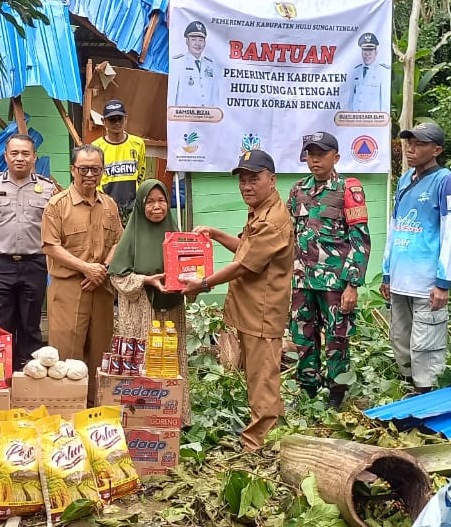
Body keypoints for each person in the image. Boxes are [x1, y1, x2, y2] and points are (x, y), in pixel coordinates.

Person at [181, 150, 292, 451]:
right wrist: (216, 234)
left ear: (272, 179)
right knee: (259, 377)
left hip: (262, 312)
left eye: (254, 179)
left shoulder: (272, 220)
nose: (247, 186)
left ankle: (257, 446)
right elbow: (246, 249)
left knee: (262, 380)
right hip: (251, 309)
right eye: (243, 180)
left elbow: (243, 266)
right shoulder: (261, 212)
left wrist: (203, 284)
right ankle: (268, 436)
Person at [287, 132, 372, 409]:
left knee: (338, 339)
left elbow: (360, 238)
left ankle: (337, 394)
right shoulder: (298, 189)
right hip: (302, 281)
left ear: (335, 157)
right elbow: (287, 232)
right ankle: (309, 390)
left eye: (321, 154)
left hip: (336, 283)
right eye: (310, 154)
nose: (315, 159)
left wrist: (352, 284)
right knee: (303, 336)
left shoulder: (349, 188)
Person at [381, 122, 451, 395]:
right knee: (400, 339)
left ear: (436, 149)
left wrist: (443, 282)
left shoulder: (445, 181)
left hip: (427, 283)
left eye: (419, 144)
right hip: (400, 278)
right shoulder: (405, 179)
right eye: (409, 143)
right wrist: (386, 273)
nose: (411, 149)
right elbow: (395, 226)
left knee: (426, 344)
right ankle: (407, 392)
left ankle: (426, 402)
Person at [0, 134, 59, 370]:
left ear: (34, 157)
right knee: (0, 324)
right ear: (5, 156)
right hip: (1, 265)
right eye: (15, 153)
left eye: (26, 153)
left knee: (31, 325)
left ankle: (29, 375)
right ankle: (0, 376)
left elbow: (57, 231)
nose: (20, 158)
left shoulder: (49, 188)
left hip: (35, 264)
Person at [42, 145, 123, 403]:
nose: (90, 174)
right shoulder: (57, 205)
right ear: (72, 169)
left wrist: (103, 269)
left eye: (96, 169)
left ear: (102, 172)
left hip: (101, 288)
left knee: (100, 352)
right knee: (67, 354)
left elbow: (119, 241)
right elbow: (50, 246)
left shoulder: (110, 205)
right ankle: (66, 411)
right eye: (84, 169)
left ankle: (95, 409)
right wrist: (86, 268)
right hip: (69, 288)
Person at [108, 180, 187, 370]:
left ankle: (174, 400)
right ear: (141, 204)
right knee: (142, 364)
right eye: (150, 201)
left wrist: (198, 282)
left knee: (170, 363)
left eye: (162, 200)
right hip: (140, 312)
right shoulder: (131, 236)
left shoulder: (176, 236)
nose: (157, 207)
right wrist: (145, 280)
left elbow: (188, 270)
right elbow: (117, 277)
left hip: (172, 313)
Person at [90, 99, 146, 222]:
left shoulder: (138, 144)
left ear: (126, 119)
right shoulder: (95, 148)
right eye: (112, 119)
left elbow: (141, 173)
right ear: (103, 121)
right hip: (105, 209)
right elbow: (93, 180)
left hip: (133, 209)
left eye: (119, 118)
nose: (116, 123)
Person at [171, 20, 220, 107]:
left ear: (205, 43)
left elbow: (214, 97)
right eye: (193, 40)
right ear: (187, 42)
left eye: (201, 40)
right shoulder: (177, 63)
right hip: (185, 116)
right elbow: (172, 95)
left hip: (206, 117)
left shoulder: (211, 66)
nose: (197, 44)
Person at [344, 33, 390, 112]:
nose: (367, 54)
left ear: (376, 52)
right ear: (361, 52)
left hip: (373, 120)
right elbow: (351, 99)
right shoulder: (355, 71)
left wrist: (383, 121)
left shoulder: (383, 72)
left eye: (370, 51)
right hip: (356, 119)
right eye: (365, 50)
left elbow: (385, 101)